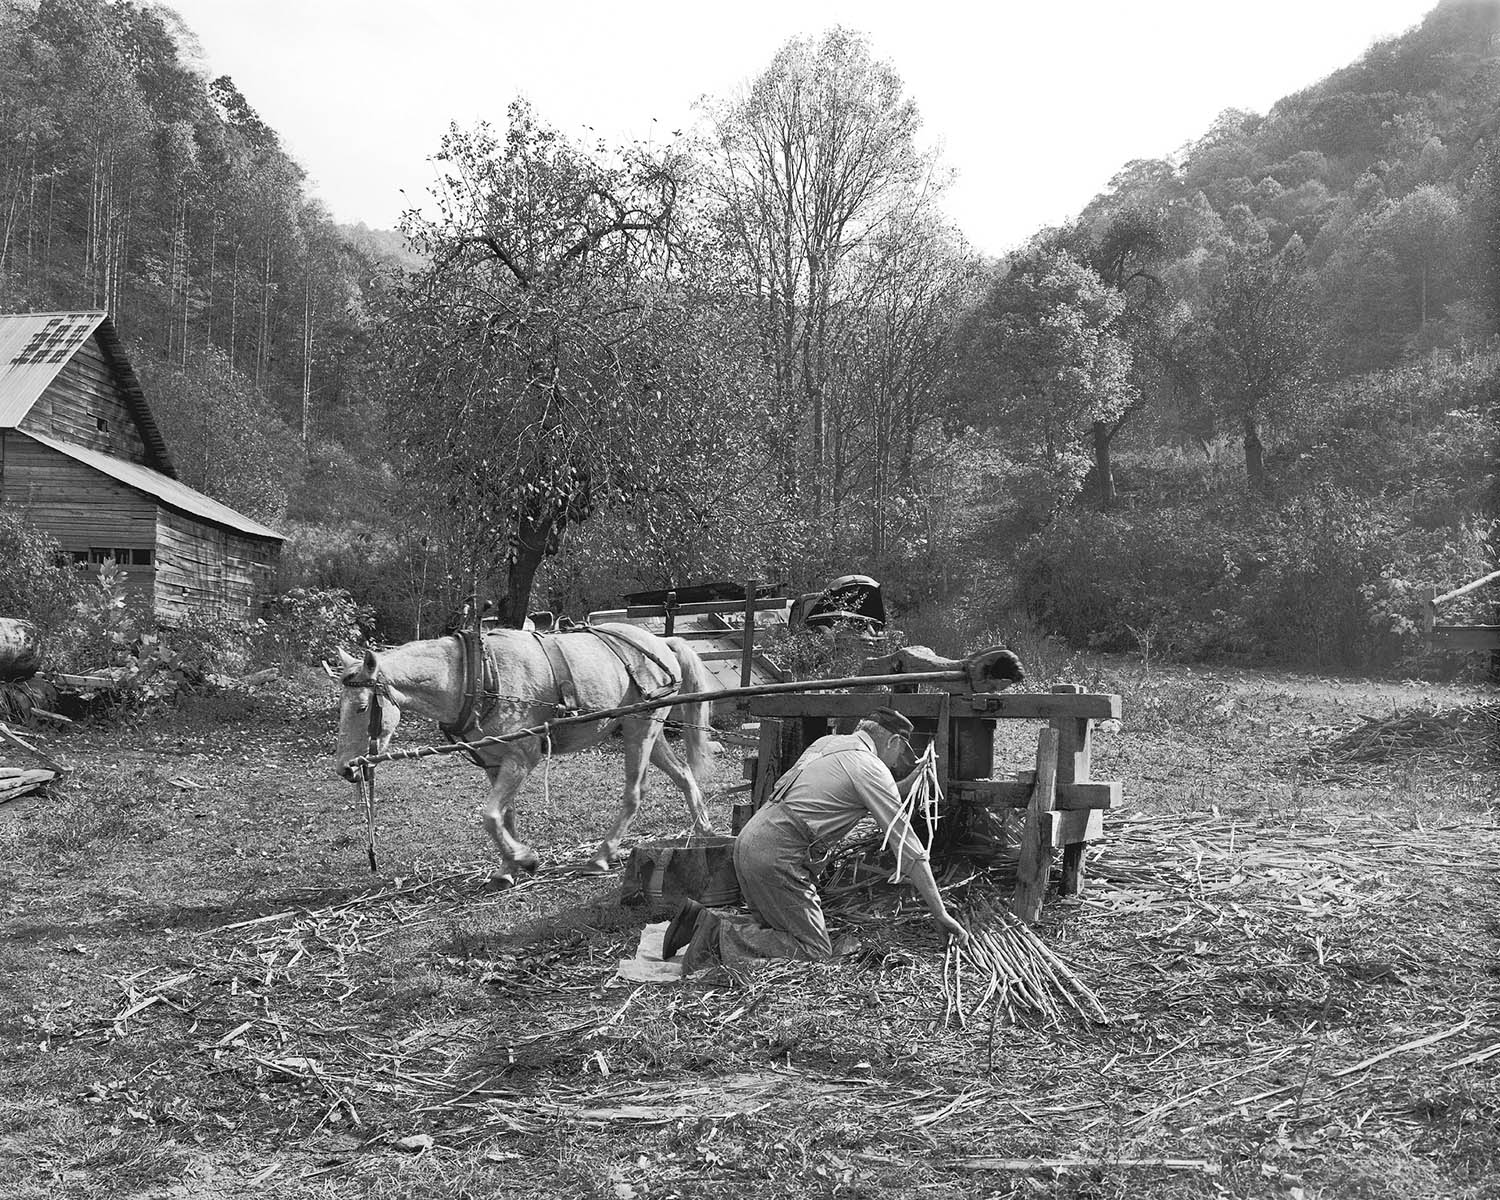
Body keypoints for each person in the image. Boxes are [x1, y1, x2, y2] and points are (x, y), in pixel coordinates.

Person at [662, 706, 969, 970]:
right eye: (902, 751)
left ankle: (698, 918)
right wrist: (939, 913)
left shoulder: (830, 743)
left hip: (749, 841)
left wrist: (913, 780)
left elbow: (873, 790)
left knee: (775, 929)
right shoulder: (870, 767)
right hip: (778, 857)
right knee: (813, 950)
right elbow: (909, 848)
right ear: (893, 741)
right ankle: (716, 933)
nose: (899, 760)